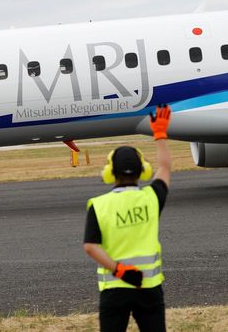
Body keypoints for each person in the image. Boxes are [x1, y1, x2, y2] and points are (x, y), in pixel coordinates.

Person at [83, 105, 172, 332]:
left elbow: (91, 247)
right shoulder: (151, 198)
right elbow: (164, 168)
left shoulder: (99, 205)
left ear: (110, 172)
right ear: (143, 170)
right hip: (148, 287)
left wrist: (119, 270)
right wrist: (160, 134)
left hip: (115, 289)